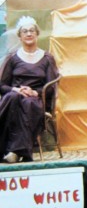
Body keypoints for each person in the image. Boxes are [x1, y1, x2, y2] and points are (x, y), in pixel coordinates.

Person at [0, 16, 59, 163]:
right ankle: (8, 150)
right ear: (20, 36)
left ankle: (16, 151)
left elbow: (51, 87)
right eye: (25, 31)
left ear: (37, 34)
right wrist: (16, 90)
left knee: (28, 104)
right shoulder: (13, 58)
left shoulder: (47, 58)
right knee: (11, 98)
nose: (28, 34)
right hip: (15, 97)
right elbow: (2, 86)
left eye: (32, 30)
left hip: (37, 99)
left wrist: (35, 92)